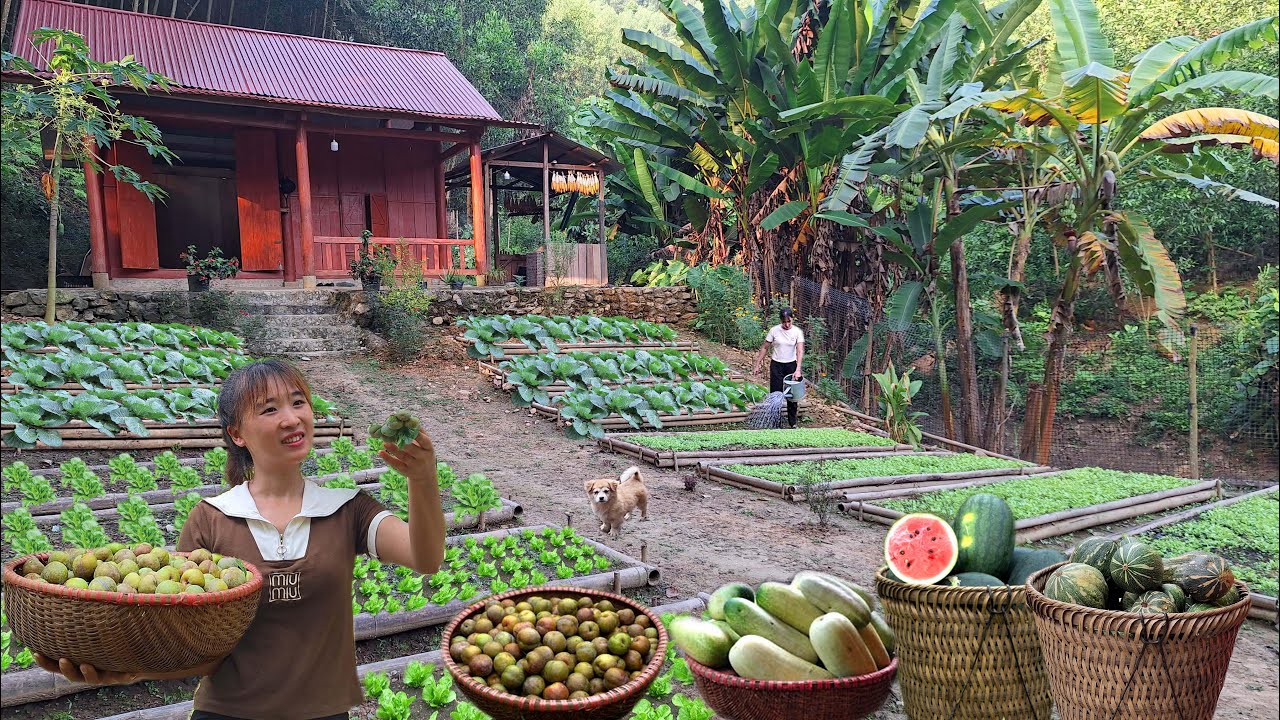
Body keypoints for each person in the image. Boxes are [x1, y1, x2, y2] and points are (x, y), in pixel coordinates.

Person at [36, 359, 447, 720]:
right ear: (237, 433)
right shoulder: (212, 517)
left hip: (325, 713)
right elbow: (185, 636)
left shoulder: (348, 509)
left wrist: (423, 479)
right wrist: (134, 670)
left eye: (298, 402)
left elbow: (424, 557)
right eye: (270, 409)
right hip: (226, 713)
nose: (291, 418)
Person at [752, 307, 805, 428]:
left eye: (789, 321)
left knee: (792, 396)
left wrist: (798, 369)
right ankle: (775, 424)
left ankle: (793, 423)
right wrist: (757, 364)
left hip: (791, 365)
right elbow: (765, 347)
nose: (786, 324)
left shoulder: (797, 332)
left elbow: (800, 351)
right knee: (776, 394)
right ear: (781, 321)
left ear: (792, 319)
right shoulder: (774, 331)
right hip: (776, 365)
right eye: (784, 322)